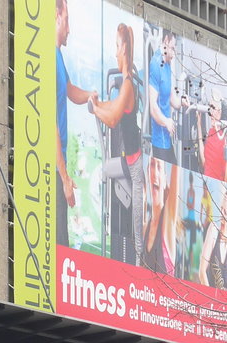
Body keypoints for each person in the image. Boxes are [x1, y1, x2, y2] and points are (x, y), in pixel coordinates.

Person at [90, 24, 144, 264]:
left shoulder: (129, 85)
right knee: (103, 172)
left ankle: (139, 269)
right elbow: (112, 108)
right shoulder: (125, 85)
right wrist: (97, 104)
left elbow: (112, 119)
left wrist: (95, 109)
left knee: (137, 228)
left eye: (116, 46)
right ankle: (111, 225)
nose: (114, 52)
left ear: (123, 48)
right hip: (127, 162)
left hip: (134, 167)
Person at [56, 0, 97, 246]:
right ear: (57, 16)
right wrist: (64, 179)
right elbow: (50, 125)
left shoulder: (57, 56)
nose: (70, 29)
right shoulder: (47, 57)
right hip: (52, 166)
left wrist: (89, 96)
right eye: (68, 20)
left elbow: (69, 89)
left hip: (58, 161)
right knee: (59, 241)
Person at [148, 30, 189, 165]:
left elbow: (172, 99)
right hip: (159, 140)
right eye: (172, 48)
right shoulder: (155, 64)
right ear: (165, 41)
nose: (174, 52)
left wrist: (181, 101)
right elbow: (153, 107)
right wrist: (166, 122)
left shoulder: (167, 64)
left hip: (167, 139)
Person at [142, 157, 180, 277]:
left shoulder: (168, 220)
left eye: (159, 167)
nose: (155, 173)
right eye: (152, 165)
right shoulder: (145, 228)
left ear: (164, 180)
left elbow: (177, 165)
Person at [199, 91, 227, 183]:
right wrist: (198, 125)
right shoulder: (211, 132)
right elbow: (205, 163)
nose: (211, 112)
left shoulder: (225, 138)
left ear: (220, 112)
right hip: (206, 185)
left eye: (213, 108)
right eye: (210, 108)